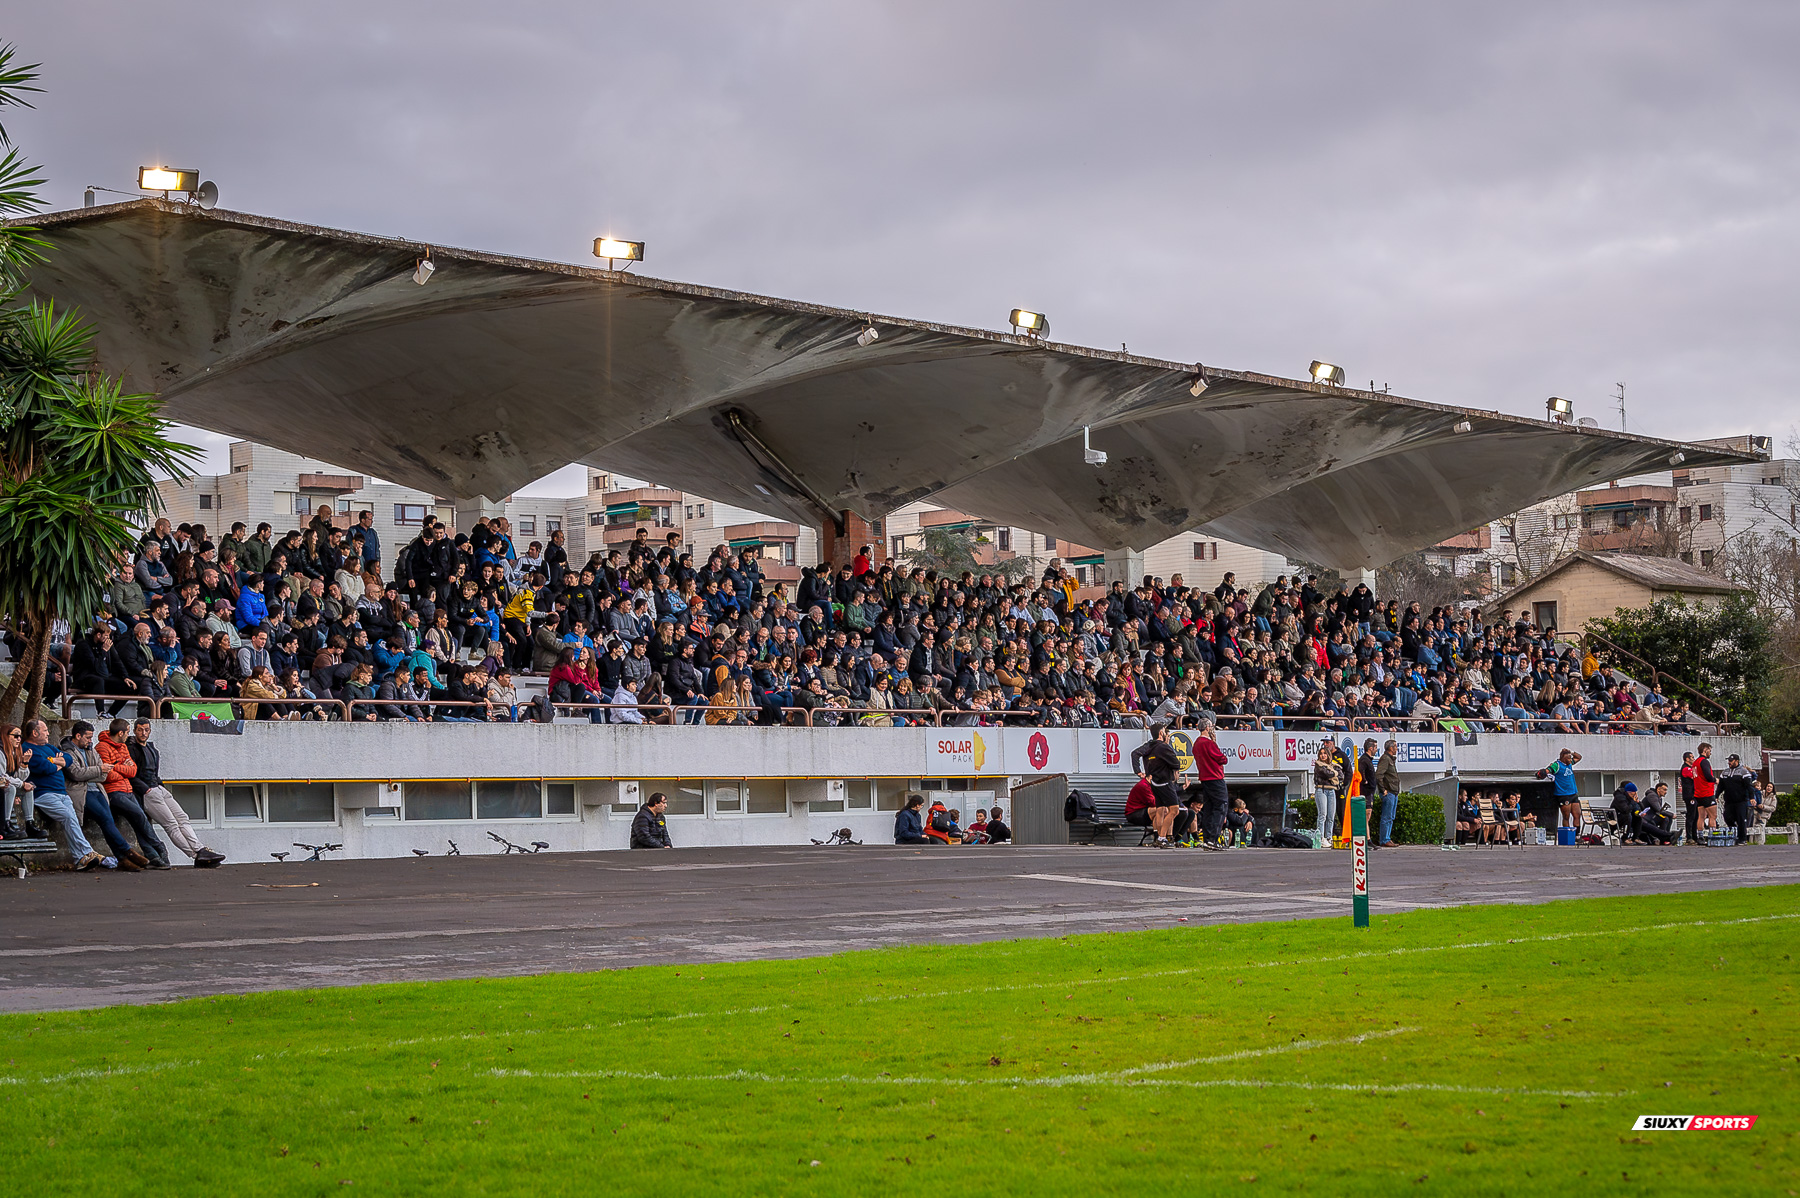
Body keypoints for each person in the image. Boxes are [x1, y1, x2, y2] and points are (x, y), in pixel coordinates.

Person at [126, 718, 223, 866]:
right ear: (134, 731)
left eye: (146, 730)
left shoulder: (152, 749)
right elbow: (132, 775)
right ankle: (196, 855)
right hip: (147, 792)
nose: (143, 733)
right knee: (171, 824)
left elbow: (153, 772)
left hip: (158, 788)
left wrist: (160, 786)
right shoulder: (131, 749)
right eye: (140, 730)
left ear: (150, 731)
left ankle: (200, 850)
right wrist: (146, 790)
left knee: (182, 817)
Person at [19, 719, 112, 870]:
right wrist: (56, 763)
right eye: (44, 730)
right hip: (44, 794)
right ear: (34, 733)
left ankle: (80, 859)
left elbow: (68, 759)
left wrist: (55, 761)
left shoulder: (48, 747)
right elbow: (45, 768)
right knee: (68, 817)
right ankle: (88, 852)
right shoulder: (28, 749)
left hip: (62, 792)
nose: (48, 733)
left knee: (72, 819)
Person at [1190, 719, 1230, 849]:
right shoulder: (1209, 743)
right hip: (1215, 777)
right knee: (1220, 807)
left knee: (1208, 808)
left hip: (1205, 778)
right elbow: (1222, 758)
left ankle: (1207, 838)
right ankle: (1213, 838)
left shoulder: (1196, 744)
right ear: (1207, 727)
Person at [1716, 753, 1758, 845]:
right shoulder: (1725, 772)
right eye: (1728, 761)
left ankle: (1742, 839)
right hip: (1729, 800)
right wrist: (1716, 796)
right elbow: (1721, 786)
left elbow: (1749, 786)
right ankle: (1734, 831)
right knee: (1727, 817)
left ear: (1737, 761)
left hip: (1741, 801)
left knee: (1741, 819)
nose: (1729, 763)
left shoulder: (1744, 772)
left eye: (1731, 761)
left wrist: (1751, 798)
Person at [1543, 747, 1582, 833]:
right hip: (1563, 794)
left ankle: (1577, 834)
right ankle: (1567, 834)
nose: (1570, 759)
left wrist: (1571, 752)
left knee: (1577, 814)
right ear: (1563, 758)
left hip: (1573, 792)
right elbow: (1547, 770)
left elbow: (1579, 757)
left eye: (1570, 758)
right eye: (1568, 758)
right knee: (1566, 816)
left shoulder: (1569, 763)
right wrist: (1546, 772)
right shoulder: (1557, 765)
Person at [1311, 742, 1341, 848]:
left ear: (1329, 755)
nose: (1323, 755)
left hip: (1331, 790)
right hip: (1321, 790)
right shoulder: (1318, 765)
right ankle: (1320, 837)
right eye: (1321, 753)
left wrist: (1334, 775)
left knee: (1331, 816)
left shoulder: (1334, 765)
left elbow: (1340, 775)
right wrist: (1333, 775)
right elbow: (1328, 774)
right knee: (1322, 815)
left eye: (1325, 753)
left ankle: (1329, 837)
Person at [1374, 739, 1402, 847]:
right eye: (1395, 746)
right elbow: (1379, 775)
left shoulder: (1389, 759)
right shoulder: (1385, 759)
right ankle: (1384, 839)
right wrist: (1383, 789)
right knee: (1387, 817)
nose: (1396, 749)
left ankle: (1387, 838)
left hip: (1393, 792)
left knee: (1391, 816)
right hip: (1389, 792)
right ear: (1390, 748)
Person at [1693, 742, 1719, 838]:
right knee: (1713, 816)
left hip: (1698, 793)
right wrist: (1715, 780)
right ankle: (1713, 836)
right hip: (1707, 792)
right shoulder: (1704, 761)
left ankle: (1700, 836)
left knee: (1701, 816)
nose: (1710, 753)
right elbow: (1708, 776)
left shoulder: (1695, 762)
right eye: (1709, 751)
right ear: (1705, 750)